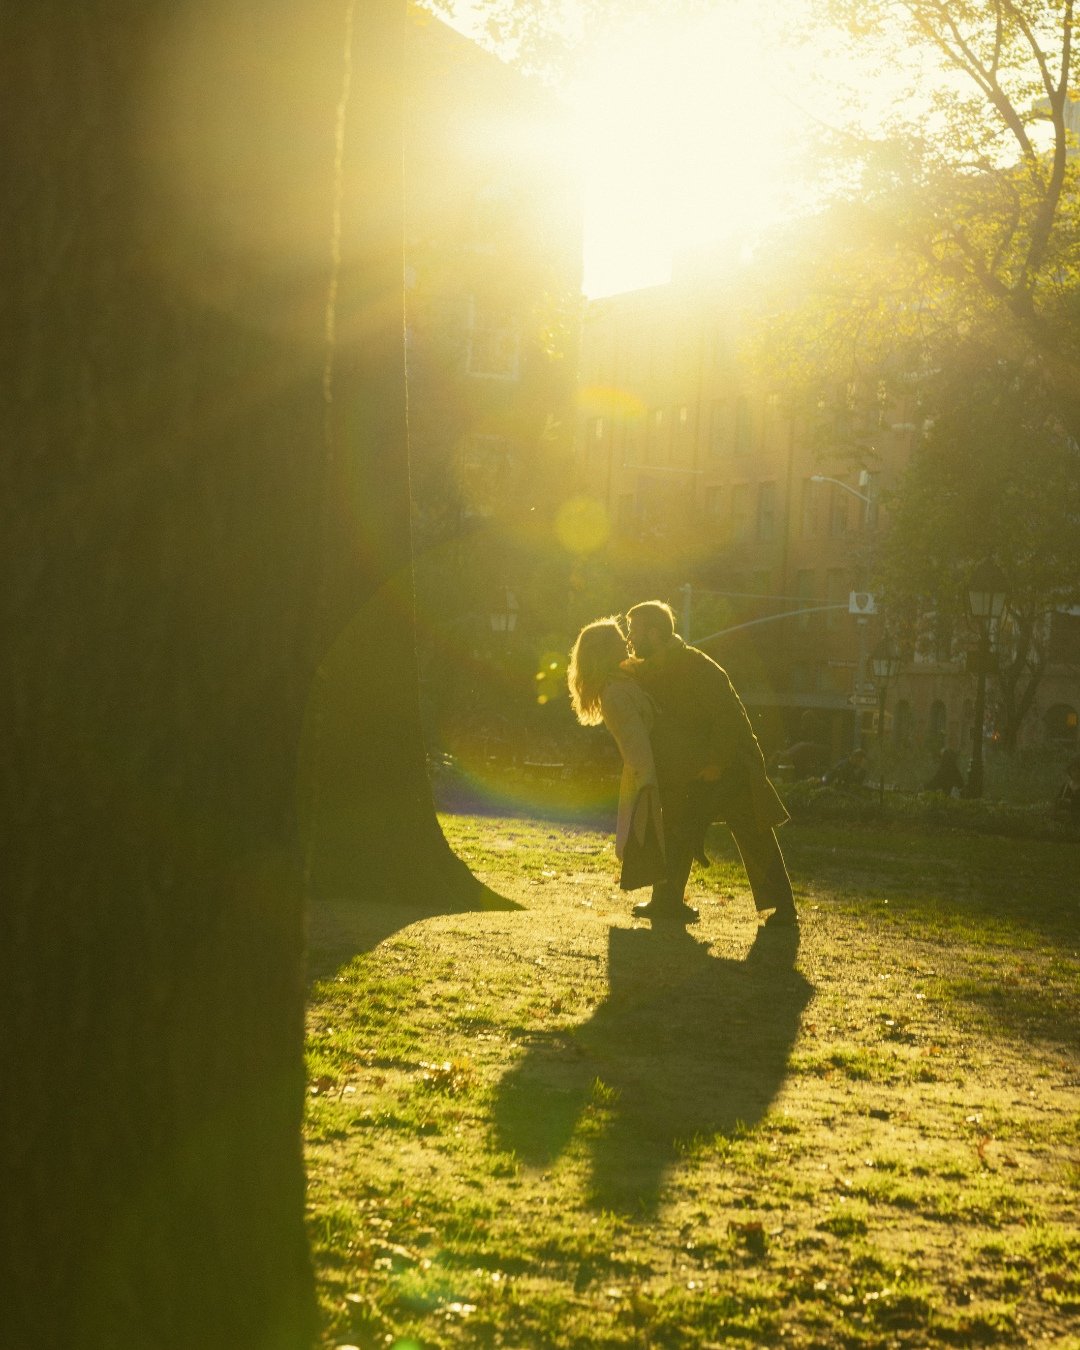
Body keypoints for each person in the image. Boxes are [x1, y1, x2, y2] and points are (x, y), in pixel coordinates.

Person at [625, 600, 796, 927]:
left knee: (753, 832)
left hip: (730, 766)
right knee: (677, 827)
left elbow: (728, 718)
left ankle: (782, 909)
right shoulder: (652, 669)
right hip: (695, 770)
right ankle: (667, 902)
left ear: (655, 633)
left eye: (634, 630)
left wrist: (717, 762)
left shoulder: (697, 666)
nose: (630, 639)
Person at [568, 617, 666, 892]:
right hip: (649, 773)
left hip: (652, 770)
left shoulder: (625, 679)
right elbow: (636, 745)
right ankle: (664, 899)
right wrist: (648, 784)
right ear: (605, 651)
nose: (626, 642)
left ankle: (665, 898)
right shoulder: (615, 694)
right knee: (656, 836)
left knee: (661, 837)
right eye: (619, 640)